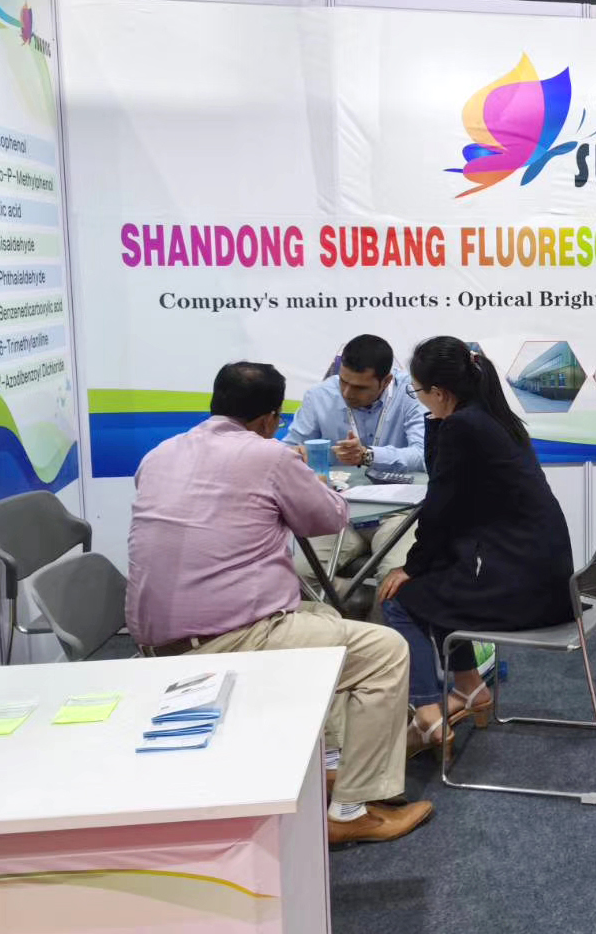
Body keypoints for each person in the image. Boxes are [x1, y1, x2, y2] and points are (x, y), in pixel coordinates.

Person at [127, 361, 432, 846]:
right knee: (385, 651)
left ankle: (330, 762)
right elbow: (330, 517)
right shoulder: (269, 456)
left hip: (152, 642)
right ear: (270, 419)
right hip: (231, 640)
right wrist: (314, 483)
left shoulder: (159, 454)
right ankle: (352, 809)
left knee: (324, 615)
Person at [377, 336, 575, 747]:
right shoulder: (489, 418)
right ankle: (469, 687)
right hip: (546, 579)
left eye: (418, 391)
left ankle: (427, 712)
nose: (419, 399)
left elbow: (439, 507)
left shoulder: (464, 426)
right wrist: (439, 420)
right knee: (442, 573)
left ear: (439, 392)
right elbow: (448, 494)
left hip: (526, 590)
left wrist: (410, 567)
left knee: (398, 599)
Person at [284, 334, 425, 587]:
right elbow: (288, 448)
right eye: (343, 382)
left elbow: (423, 454)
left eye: (360, 387)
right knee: (297, 572)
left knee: (396, 578)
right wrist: (295, 454)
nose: (347, 393)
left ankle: (371, 611)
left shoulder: (410, 394)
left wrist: (368, 455)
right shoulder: (320, 396)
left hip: (399, 514)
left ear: (386, 381)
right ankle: (353, 602)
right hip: (336, 511)